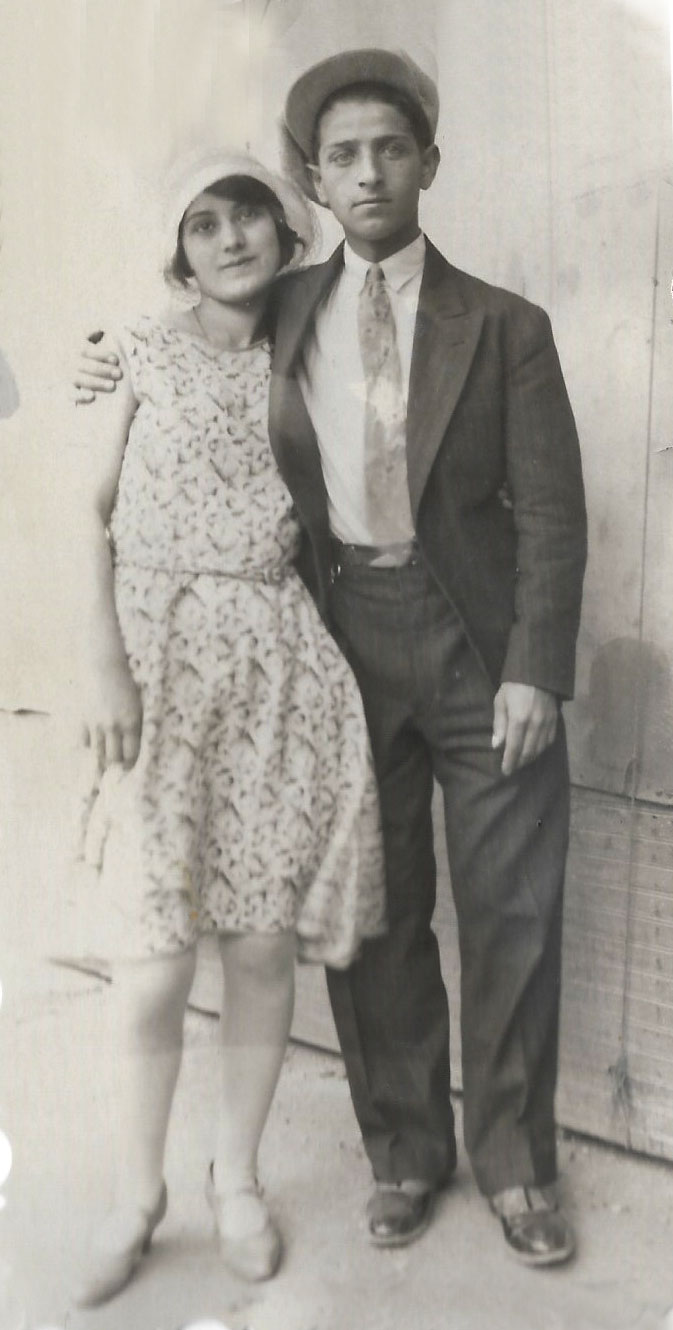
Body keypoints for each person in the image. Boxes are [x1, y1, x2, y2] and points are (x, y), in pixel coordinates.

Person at [73, 48, 588, 1267]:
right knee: (376, 905)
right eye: (342, 156)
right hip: (339, 635)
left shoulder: (505, 326)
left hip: (476, 644)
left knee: (511, 906)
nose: (367, 174)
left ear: (428, 164)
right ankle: (404, 1149)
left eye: (389, 150)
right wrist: (99, 355)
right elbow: (177, 331)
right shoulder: (284, 302)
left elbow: (553, 508)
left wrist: (534, 665)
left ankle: (516, 1164)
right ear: (315, 177)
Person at [63, 150, 385, 1307]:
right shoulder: (134, 353)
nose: (231, 238)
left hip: (274, 674)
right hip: (156, 667)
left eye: (249, 216)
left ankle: (235, 1176)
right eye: (203, 224)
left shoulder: (314, 355)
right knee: (152, 963)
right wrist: (102, 661)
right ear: (179, 252)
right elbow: (85, 511)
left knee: (257, 947)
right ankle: (135, 1194)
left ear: (286, 237)